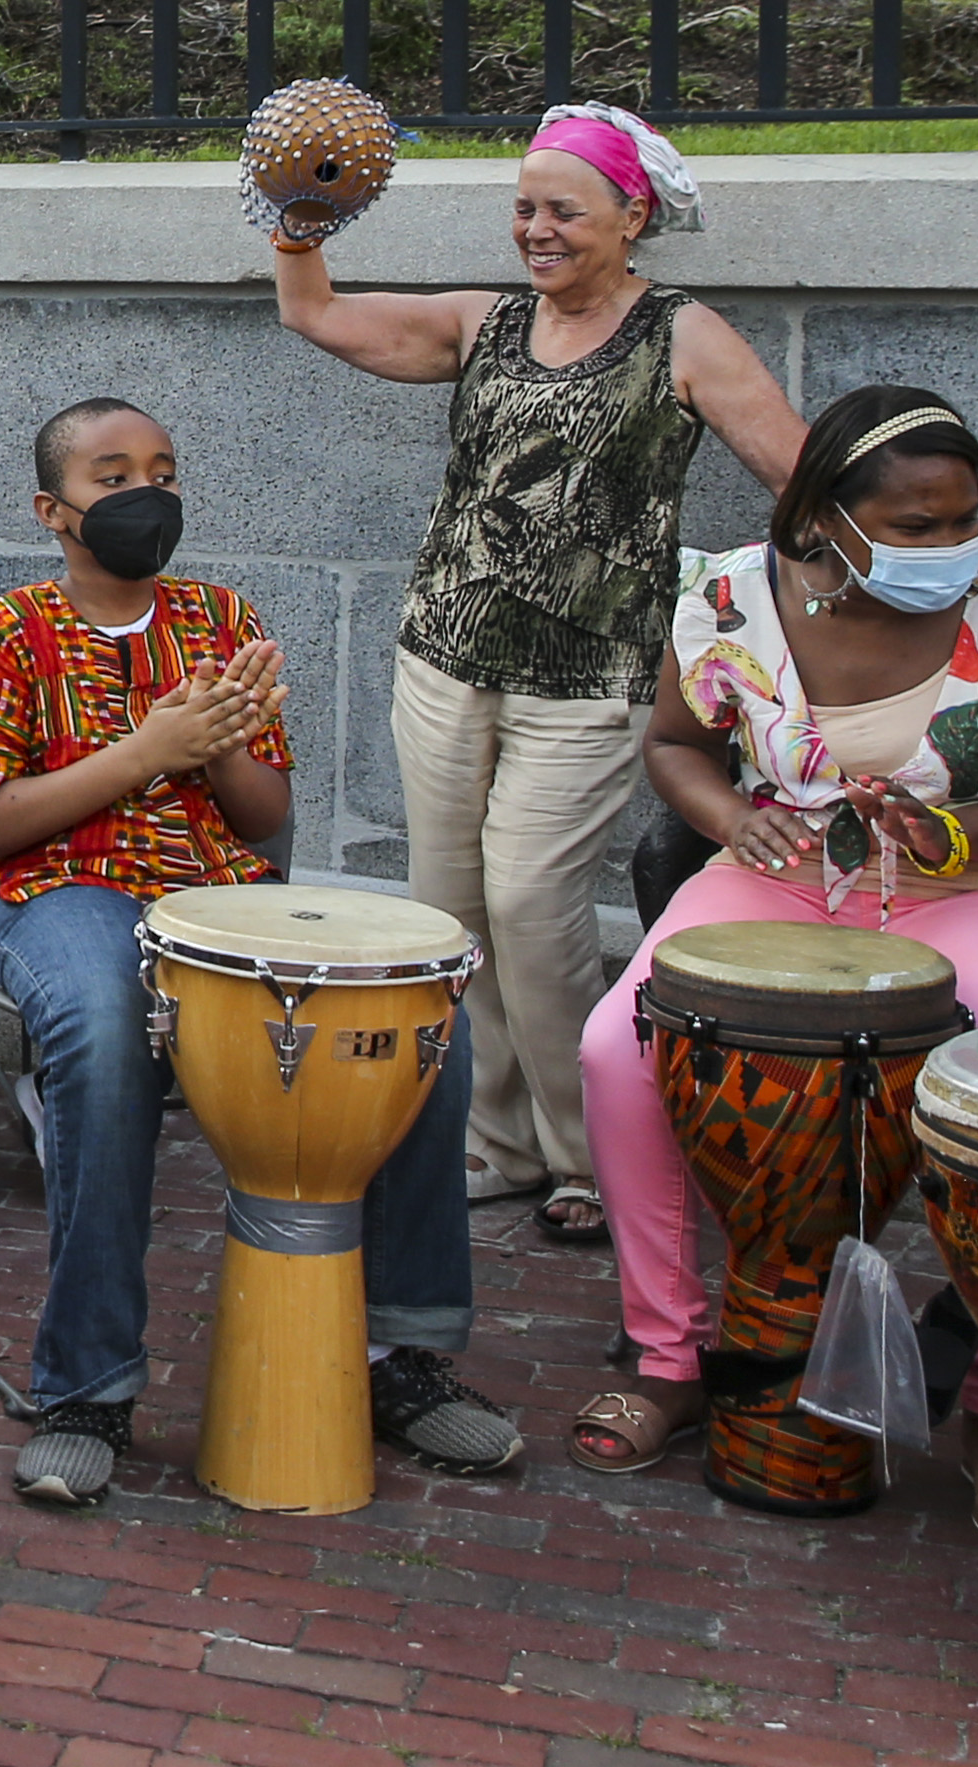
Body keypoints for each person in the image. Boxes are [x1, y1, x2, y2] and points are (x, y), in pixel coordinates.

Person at [0, 399, 522, 1509]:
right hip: (60, 892)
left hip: (217, 897)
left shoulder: (217, 617)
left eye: (162, 468)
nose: (145, 492)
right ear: (51, 511)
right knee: (104, 1033)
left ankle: (397, 1358)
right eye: (113, 476)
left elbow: (261, 819)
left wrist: (213, 748)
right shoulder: (7, 631)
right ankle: (86, 1390)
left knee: (409, 1020)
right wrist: (146, 749)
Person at [577, 389, 978, 1533]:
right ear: (823, 513)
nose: (948, 548)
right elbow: (673, 745)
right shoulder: (727, 598)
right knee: (618, 1050)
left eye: (961, 519)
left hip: (964, 890)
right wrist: (728, 818)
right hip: (774, 879)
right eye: (915, 527)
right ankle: (667, 1353)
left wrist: (954, 833)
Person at [270, 102, 802, 1239]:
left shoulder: (683, 335)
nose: (536, 229)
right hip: (445, 660)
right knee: (450, 908)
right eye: (522, 208)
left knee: (530, 902)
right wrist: (297, 221)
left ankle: (589, 1150)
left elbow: (800, 480)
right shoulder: (483, 322)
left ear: (631, 215)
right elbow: (310, 312)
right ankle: (492, 1137)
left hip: (588, 672)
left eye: (563, 209)